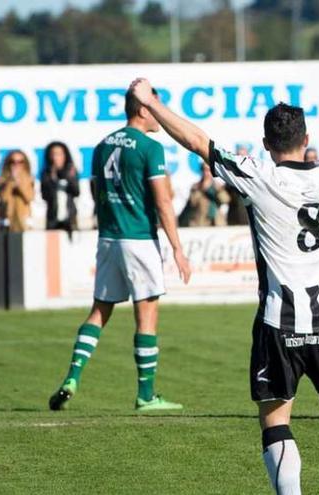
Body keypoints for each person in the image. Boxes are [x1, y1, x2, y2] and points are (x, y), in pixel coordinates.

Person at [129, 41, 319, 495]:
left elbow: (198, 141)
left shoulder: (257, 175)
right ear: (307, 141)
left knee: (276, 420)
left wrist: (152, 102)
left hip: (278, 322)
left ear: (266, 144)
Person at [49, 87, 192, 412]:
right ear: (142, 110)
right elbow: (163, 201)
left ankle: (72, 376)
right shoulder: (149, 147)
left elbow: (95, 188)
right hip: (139, 238)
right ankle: (145, 396)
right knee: (146, 316)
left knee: (99, 311)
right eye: (154, 106)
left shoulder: (102, 145)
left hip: (109, 238)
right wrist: (178, 248)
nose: (159, 113)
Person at [40, 141, 80, 233]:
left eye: (59, 154)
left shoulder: (71, 171)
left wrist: (70, 178)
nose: (55, 158)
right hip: (53, 218)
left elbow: (76, 192)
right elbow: (45, 196)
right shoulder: (46, 173)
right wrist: (52, 178)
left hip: (69, 217)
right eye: (53, 154)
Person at [178, 161, 230, 227]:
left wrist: (217, 189)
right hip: (200, 223)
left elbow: (225, 200)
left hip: (217, 222)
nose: (207, 173)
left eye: (209, 170)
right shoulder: (196, 187)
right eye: (205, 170)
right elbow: (193, 202)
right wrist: (202, 188)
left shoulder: (217, 186)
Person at [0, 150, 35, 233]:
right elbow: (3, 199)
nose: (16, 165)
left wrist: (19, 185)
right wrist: (10, 183)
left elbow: (29, 198)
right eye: (13, 162)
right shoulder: (2, 180)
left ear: (25, 164)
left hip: (24, 220)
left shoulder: (29, 178)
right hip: (7, 220)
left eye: (20, 162)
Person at [224, 144, 251, 225]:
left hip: (250, 219)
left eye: (243, 157)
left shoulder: (254, 176)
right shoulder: (229, 176)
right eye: (238, 156)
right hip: (234, 219)